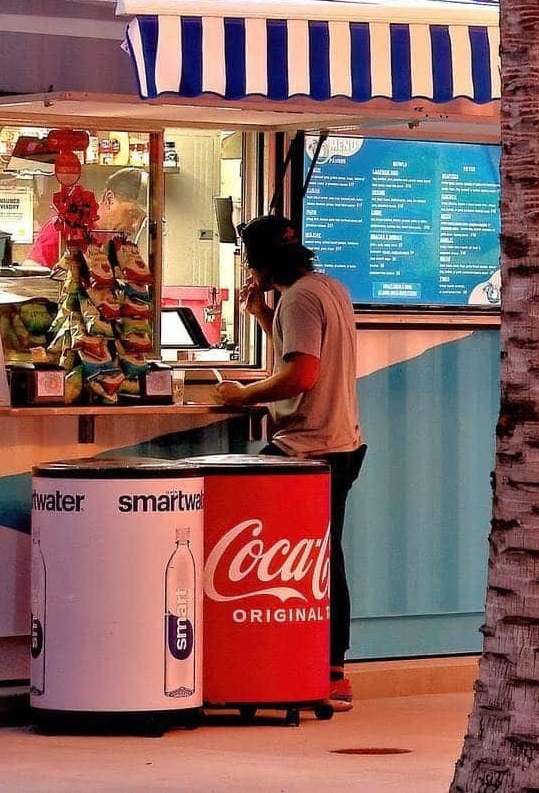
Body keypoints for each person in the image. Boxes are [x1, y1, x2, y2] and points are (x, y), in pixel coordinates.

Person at [215, 214, 365, 711]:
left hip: (307, 446)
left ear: (256, 264)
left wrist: (243, 394)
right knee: (325, 556)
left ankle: (318, 670)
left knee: (306, 560)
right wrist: (262, 316)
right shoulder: (327, 288)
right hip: (340, 443)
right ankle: (328, 670)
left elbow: (301, 374)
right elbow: (304, 355)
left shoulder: (299, 298)